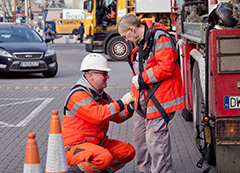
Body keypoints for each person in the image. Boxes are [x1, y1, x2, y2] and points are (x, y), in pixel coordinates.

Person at [117, 14, 186, 173]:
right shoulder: (143, 41)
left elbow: (166, 68)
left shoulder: (160, 38)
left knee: (157, 143)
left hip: (158, 101)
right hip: (143, 103)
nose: (126, 40)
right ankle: (146, 170)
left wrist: (141, 79)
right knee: (140, 139)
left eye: (125, 36)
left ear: (131, 29)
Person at [62, 53, 136, 173]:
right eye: (104, 74)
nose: (107, 77)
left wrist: (132, 107)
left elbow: (117, 116)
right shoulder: (78, 95)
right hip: (75, 148)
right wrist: (122, 102)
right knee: (103, 157)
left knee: (127, 151)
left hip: (96, 144)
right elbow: (97, 115)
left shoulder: (100, 94)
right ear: (91, 75)